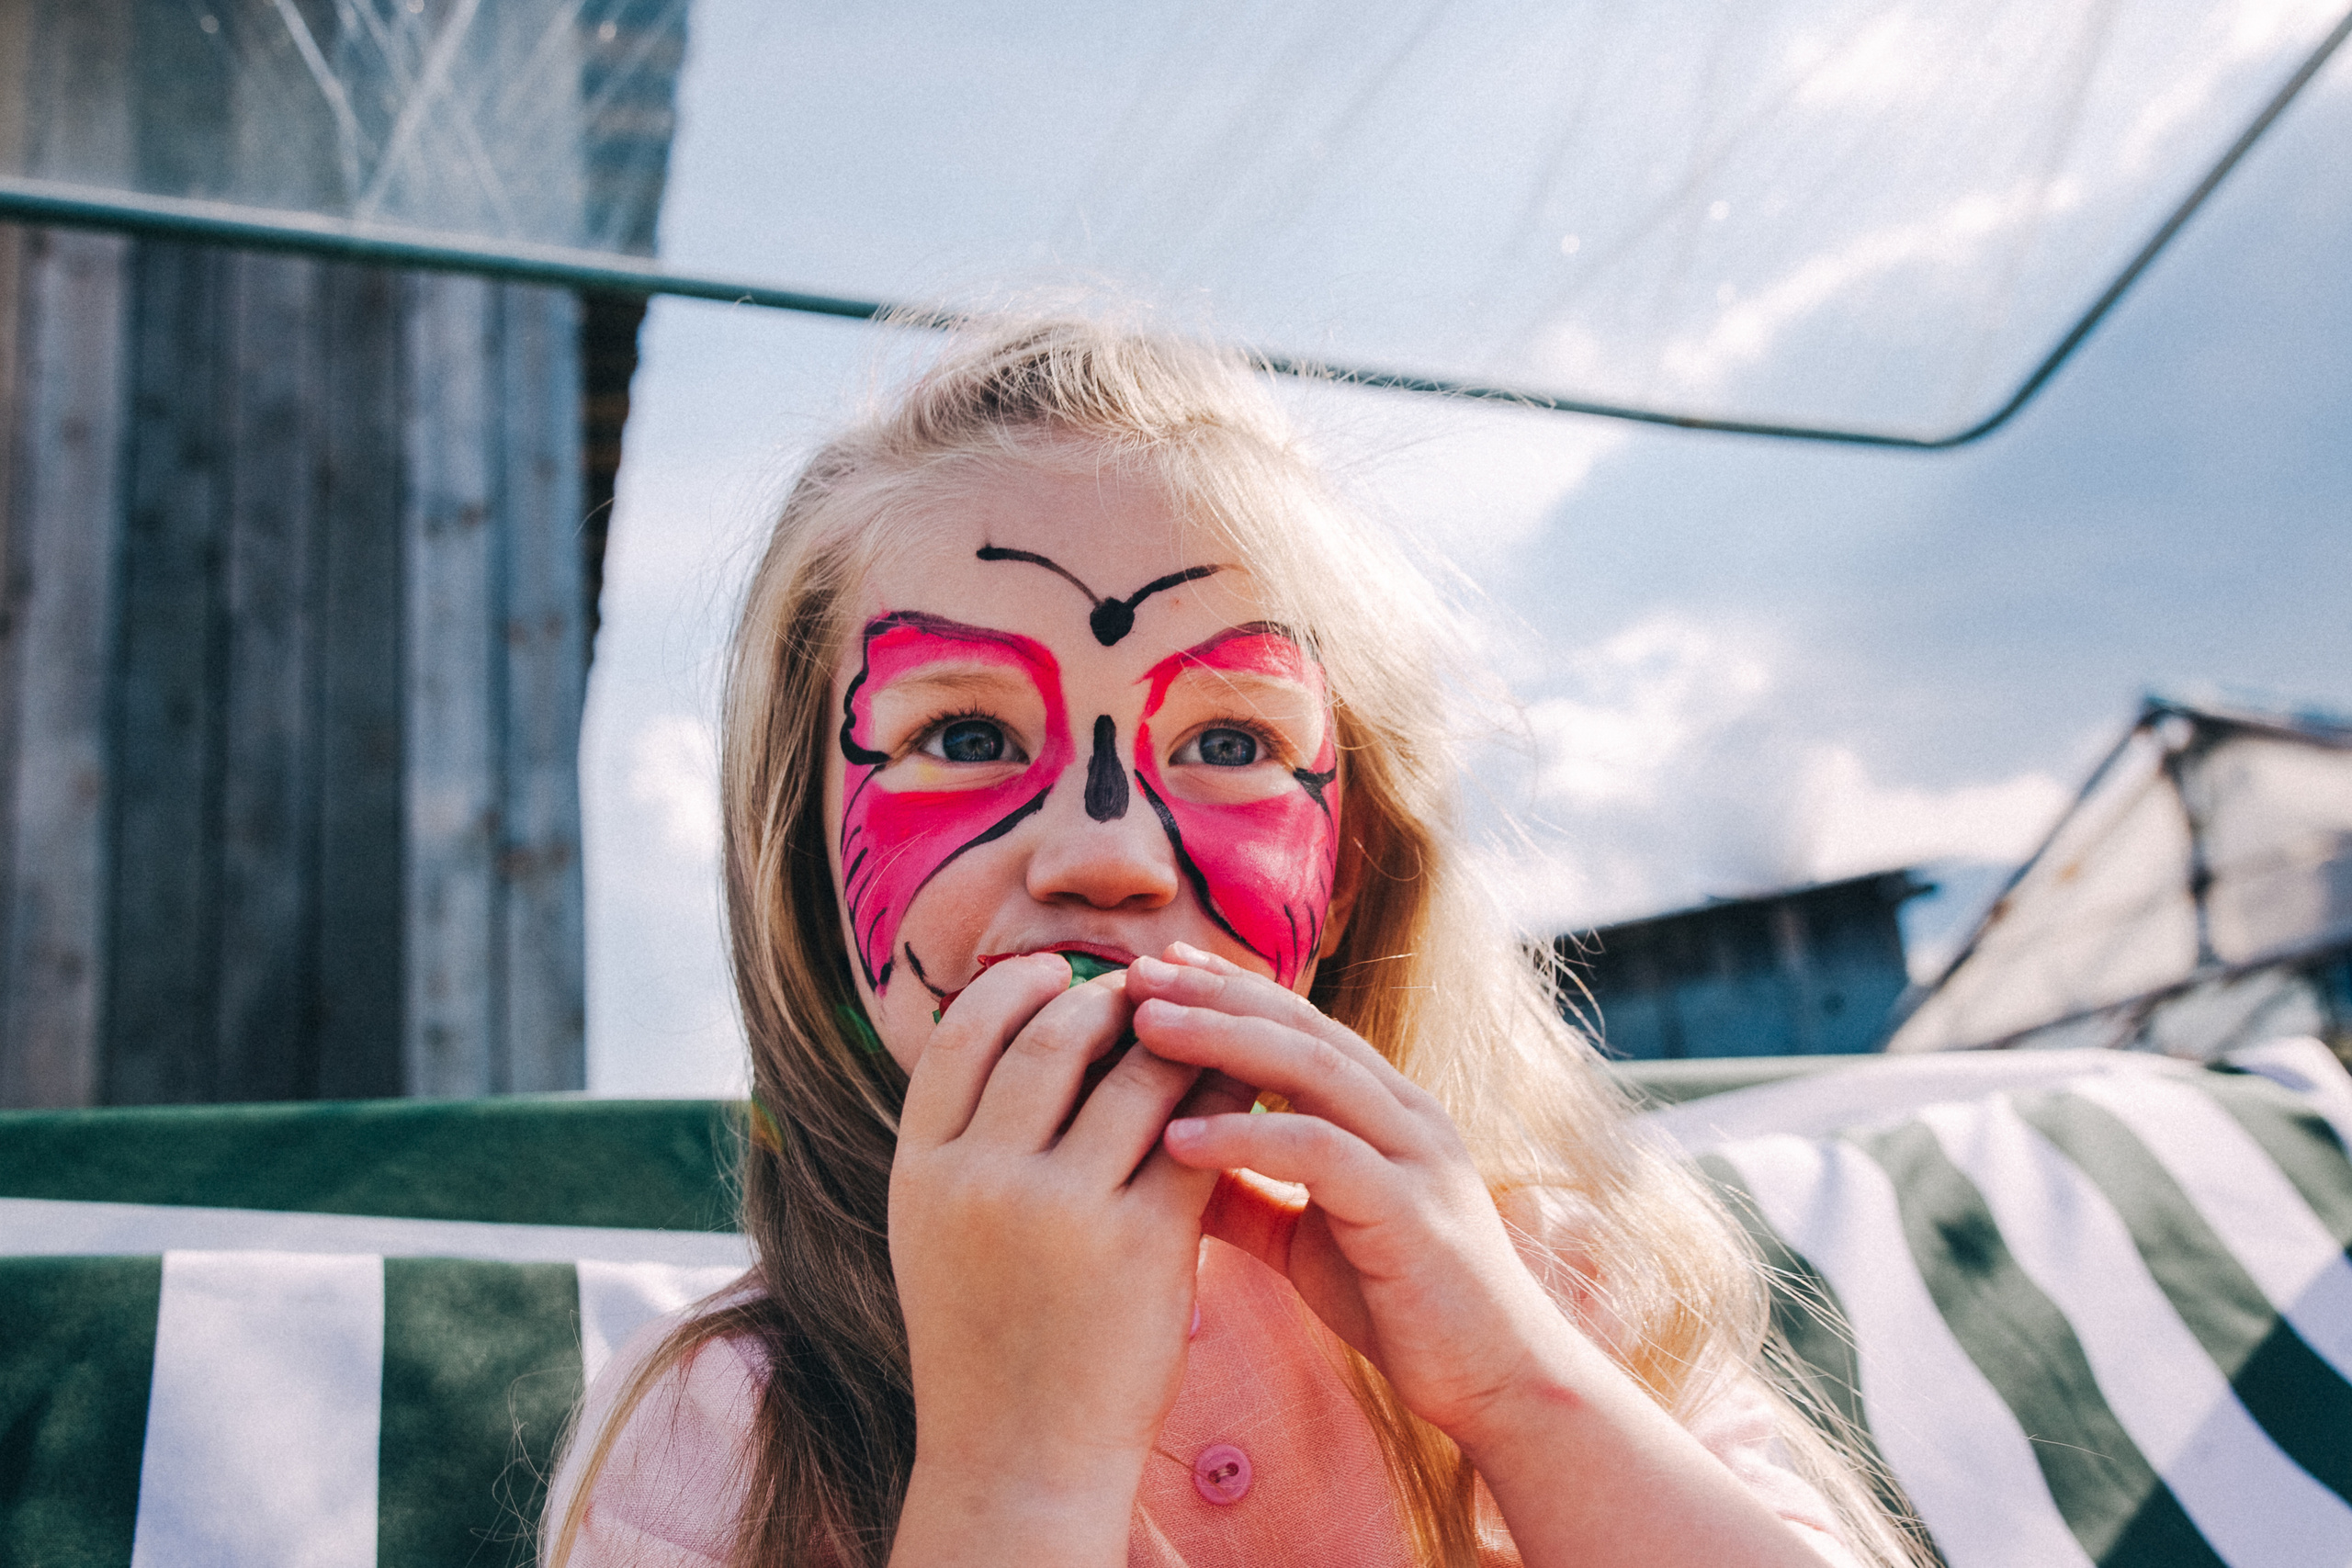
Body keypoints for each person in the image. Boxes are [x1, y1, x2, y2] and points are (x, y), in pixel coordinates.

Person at [542, 317, 1928, 1568]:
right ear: (801, 867)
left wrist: (1521, 1395)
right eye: (964, 737)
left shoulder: (1557, 1291)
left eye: (1228, 741)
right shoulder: (726, 1436)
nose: (1108, 851)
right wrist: (1014, 1474)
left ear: (1354, 858)